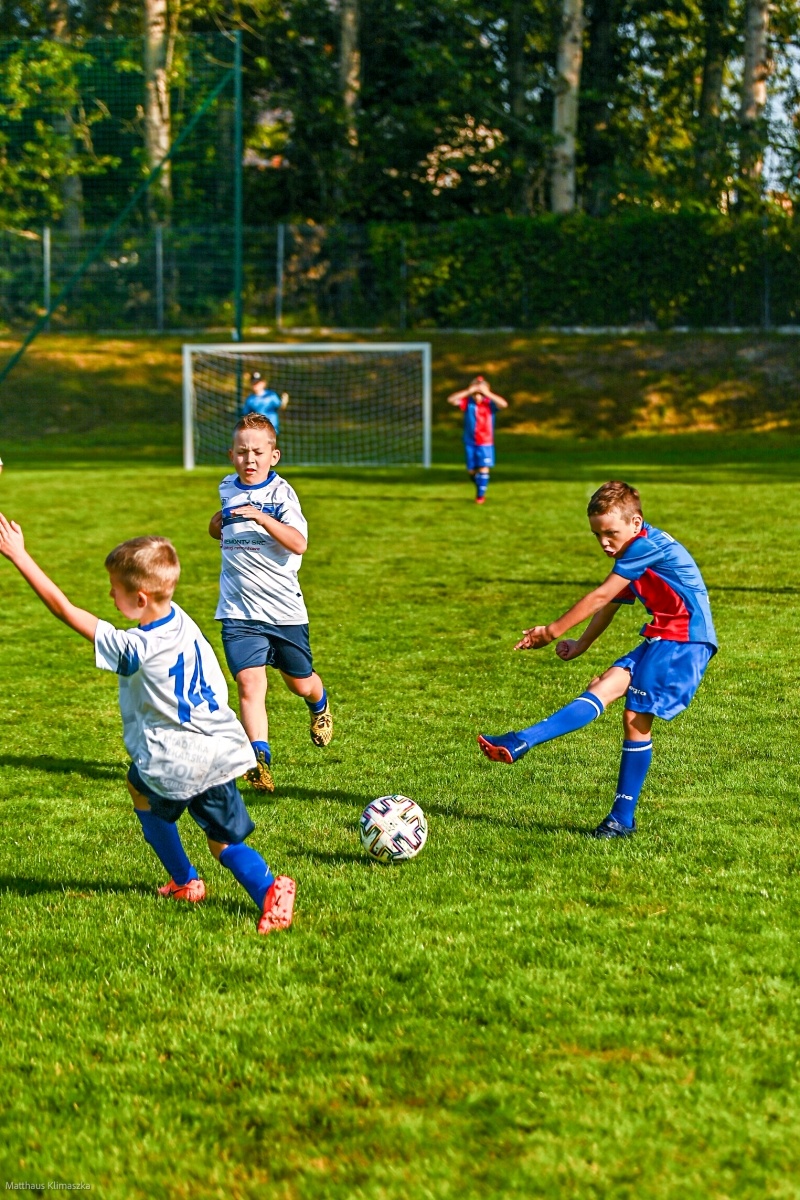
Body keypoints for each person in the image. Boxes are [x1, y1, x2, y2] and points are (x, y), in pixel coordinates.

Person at [0, 522, 295, 933]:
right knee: (220, 839)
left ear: (140, 598)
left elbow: (66, 610)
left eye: (114, 589)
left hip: (176, 760)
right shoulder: (181, 620)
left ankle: (202, 883)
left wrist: (19, 556)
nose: (109, 595)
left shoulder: (137, 648)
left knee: (156, 798)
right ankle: (256, 888)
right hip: (221, 748)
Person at [478, 481, 717, 838]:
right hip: (663, 637)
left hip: (684, 641)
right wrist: (582, 644)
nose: (604, 542)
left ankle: (621, 819)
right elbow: (611, 604)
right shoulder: (633, 549)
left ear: (635, 523)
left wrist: (552, 631)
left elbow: (600, 595)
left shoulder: (646, 547)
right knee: (603, 687)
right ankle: (519, 741)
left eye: (610, 533)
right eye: (597, 535)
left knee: (635, 719)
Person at [209, 412, 332, 794]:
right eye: (242, 452)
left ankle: (319, 704)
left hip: (283, 611)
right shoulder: (227, 487)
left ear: (273, 456)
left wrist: (262, 518)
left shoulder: (282, 495)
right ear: (231, 454)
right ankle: (259, 760)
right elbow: (222, 527)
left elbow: (299, 543)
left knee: (300, 683)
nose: (250, 459)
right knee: (249, 683)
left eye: (258, 452)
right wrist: (216, 523)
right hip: (238, 610)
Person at [447, 375, 508, 504]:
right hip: (470, 441)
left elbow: (504, 404)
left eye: (480, 394)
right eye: (475, 394)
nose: (478, 396)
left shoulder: (490, 403)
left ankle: (480, 496)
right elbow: (451, 400)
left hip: (485, 442)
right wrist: (468, 391)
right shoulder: (468, 403)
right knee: (471, 471)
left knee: (483, 467)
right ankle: (480, 485)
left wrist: (488, 393)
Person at [241, 372, 289, 436]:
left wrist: (283, 403)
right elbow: (246, 414)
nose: (256, 385)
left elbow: (280, 406)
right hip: (257, 431)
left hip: (272, 429)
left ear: (263, 383)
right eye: (254, 383)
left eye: (258, 383)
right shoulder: (250, 399)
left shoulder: (271, 395)